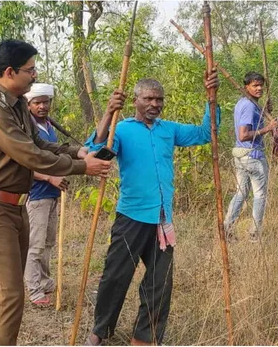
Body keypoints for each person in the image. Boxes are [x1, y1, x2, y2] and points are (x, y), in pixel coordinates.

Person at [0, 39, 113, 346]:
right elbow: (28, 155)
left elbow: (40, 144)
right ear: (9, 71)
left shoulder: (18, 104)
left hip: (15, 207)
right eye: (30, 70)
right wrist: (81, 168)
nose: (35, 75)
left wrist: (78, 152)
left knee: (0, 295)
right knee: (9, 297)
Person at [84, 73, 220, 346]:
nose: (155, 104)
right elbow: (96, 150)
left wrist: (211, 98)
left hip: (161, 220)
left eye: (159, 99)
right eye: (148, 98)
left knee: (160, 282)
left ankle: (144, 337)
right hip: (131, 217)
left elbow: (206, 133)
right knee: (115, 277)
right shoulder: (121, 129)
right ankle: (99, 331)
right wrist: (109, 113)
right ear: (136, 101)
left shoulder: (168, 129)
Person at [22, 83, 67, 307]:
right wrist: (50, 178)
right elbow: (25, 165)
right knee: (36, 244)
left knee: (49, 242)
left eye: (45, 102)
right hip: (38, 193)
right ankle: (34, 289)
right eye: (37, 102)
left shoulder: (49, 126)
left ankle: (45, 280)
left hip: (52, 193)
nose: (42, 106)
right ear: (28, 105)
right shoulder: (27, 129)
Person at [224, 72, 278, 242]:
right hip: (252, 155)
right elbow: (243, 135)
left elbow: (251, 123)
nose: (259, 88)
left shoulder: (246, 103)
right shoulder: (248, 106)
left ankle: (227, 228)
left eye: (261, 85)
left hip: (241, 155)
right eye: (255, 85)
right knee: (260, 195)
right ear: (246, 86)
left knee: (241, 193)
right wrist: (268, 128)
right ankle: (255, 235)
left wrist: (264, 112)